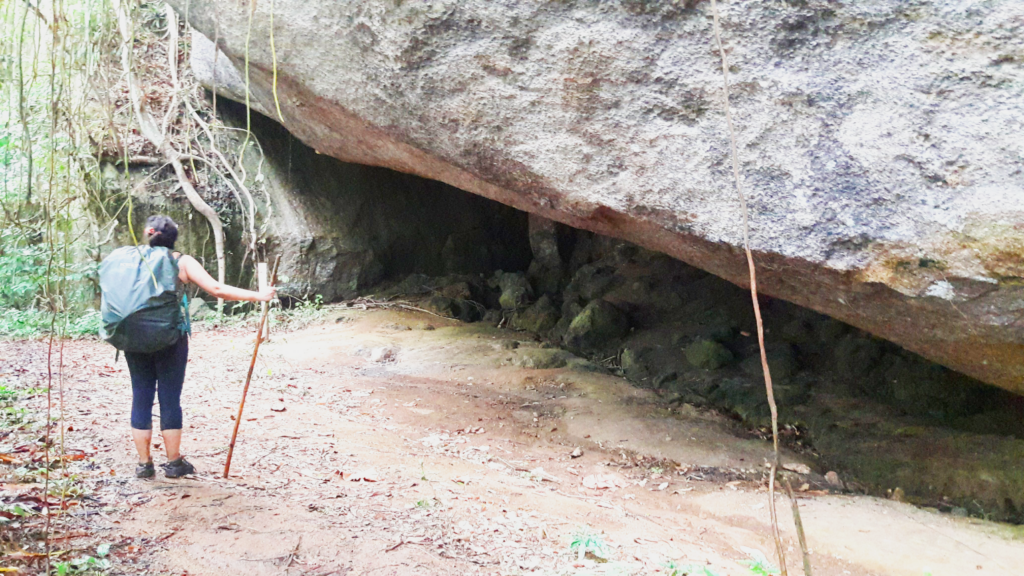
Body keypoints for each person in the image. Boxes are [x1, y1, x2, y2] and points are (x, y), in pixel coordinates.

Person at [127, 215, 275, 479]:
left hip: (135, 338)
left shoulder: (129, 260)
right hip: (171, 338)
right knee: (169, 398)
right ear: (173, 238)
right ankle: (174, 463)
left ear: (147, 235)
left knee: (141, 395)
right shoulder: (181, 262)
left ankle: (144, 464)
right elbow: (216, 289)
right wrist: (258, 296)